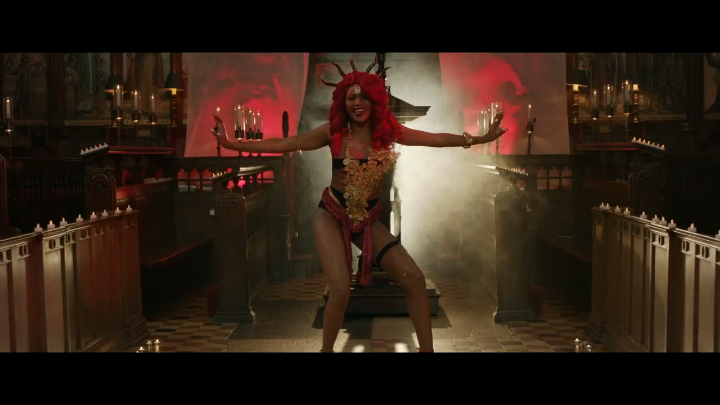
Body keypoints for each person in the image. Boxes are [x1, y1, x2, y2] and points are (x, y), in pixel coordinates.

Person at [211, 57, 507, 353]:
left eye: (363, 97)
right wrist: (231, 144)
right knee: (340, 291)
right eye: (351, 98)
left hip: (366, 220)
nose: (357, 103)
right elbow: (286, 144)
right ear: (343, 102)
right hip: (332, 214)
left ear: (375, 100)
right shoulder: (333, 133)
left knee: (415, 280)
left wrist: (480, 138)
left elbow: (434, 139)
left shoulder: (389, 133)